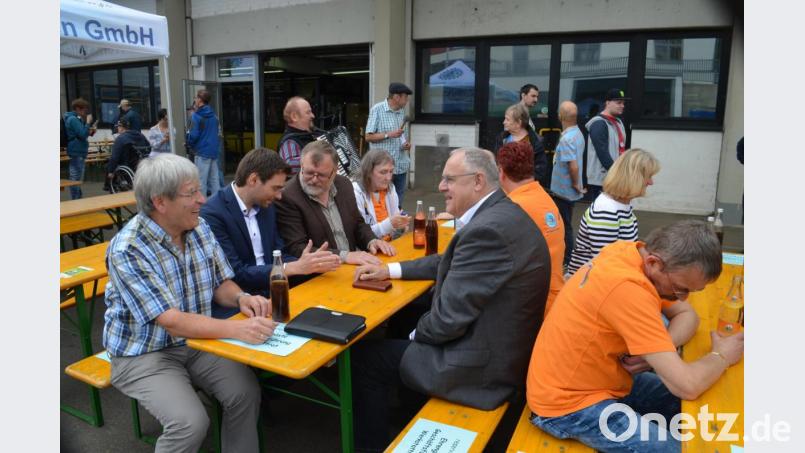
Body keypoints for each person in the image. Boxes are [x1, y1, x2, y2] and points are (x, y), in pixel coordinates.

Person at [351, 147, 551, 451]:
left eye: (449, 180)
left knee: (365, 358)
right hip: (504, 345)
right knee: (406, 322)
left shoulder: (488, 230)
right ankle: (408, 409)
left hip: (482, 370)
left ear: (478, 181)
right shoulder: (502, 213)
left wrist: (415, 335)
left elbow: (445, 321)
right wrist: (389, 270)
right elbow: (450, 260)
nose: (441, 187)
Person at [103, 153, 275, 452]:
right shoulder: (128, 248)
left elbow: (221, 283)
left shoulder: (199, 228)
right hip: (143, 353)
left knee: (245, 392)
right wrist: (238, 329)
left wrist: (242, 297)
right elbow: (169, 319)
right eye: (191, 192)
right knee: (189, 422)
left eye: (199, 190)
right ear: (160, 202)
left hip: (196, 342)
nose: (203, 199)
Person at [526, 220, 744, 452]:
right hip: (566, 405)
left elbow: (688, 314)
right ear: (654, 263)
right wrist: (721, 355)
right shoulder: (628, 288)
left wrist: (658, 348)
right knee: (678, 448)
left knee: (705, 410)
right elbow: (687, 385)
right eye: (682, 288)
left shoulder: (628, 253)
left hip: (602, 378)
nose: (682, 298)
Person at [201, 148, 341, 319]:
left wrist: (309, 263)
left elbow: (278, 253)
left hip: (277, 295)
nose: (280, 196)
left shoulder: (266, 205)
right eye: (275, 188)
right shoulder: (213, 213)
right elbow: (235, 273)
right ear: (253, 180)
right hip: (240, 305)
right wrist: (291, 267)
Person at [275, 140, 397, 265]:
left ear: (334, 171)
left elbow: (358, 223)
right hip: (320, 274)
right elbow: (297, 248)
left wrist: (372, 241)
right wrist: (345, 256)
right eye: (309, 173)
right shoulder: (287, 196)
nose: (314, 180)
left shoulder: (344, 184)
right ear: (301, 165)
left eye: (322, 175)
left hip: (352, 265)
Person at [497, 140, 565, 314]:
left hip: (533, 308)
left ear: (501, 173)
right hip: (555, 299)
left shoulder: (514, 208)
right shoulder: (545, 199)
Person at [567, 148, 659, 276]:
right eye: (648, 177)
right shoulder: (607, 211)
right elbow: (606, 264)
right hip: (589, 284)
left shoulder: (622, 203)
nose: (651, 182)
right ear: (633, 178)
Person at [550, 100, 586, 268]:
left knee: (565, 226)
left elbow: (573, 165)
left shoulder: (567, 139)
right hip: (567, 190)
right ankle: (568, 257)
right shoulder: (578, 133)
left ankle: (567, 260)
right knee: (566, 223)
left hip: (563, 191)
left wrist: (575, 184)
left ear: (561, 117)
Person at [364, 82, 413, 207]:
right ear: (396, 97)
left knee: (397, 203)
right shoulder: (377, 109)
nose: (407, 100)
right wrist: (389, 134)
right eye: (405, 97)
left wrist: (405, 145)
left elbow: (400, 137)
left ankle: (397, 224)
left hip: (400, 165)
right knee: (382, 203)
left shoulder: (401, 112)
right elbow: (368, 136)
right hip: (383, 169)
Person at [351, 149, 411, 241]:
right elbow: (360, 235)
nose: (388, 178)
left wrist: (401, 226)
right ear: (368, 172)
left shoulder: (390, 188)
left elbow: (396, 223)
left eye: (391, 171)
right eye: (383, 172)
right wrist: (390, 224)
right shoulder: (355, 192)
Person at [585, 88, 629, 200]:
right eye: (618, 102)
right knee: (602, 214)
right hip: (602, 180)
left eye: (623, 103)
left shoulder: (618, 122)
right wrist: (618, 174)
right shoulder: (598, 123)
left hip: (614, 177)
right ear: (607, 103)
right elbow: (603, 154)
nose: (622, 106)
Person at [493, 103, 548, 185]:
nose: (503, 122)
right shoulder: (502, 138)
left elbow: (540, 171)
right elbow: (496, 163)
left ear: (518, 123)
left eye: (507, 119)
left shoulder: (536, 142)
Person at [187, 89, 222, 197]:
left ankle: (202, 208)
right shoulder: (214, 117)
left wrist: (189, 142)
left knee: (201, 181)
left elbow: (193, 135)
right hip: (213, 152)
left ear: (200, 100)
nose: (195, 100)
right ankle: (218, 205)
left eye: (196, 98)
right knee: (214, 180)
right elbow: (217, 134)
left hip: (202, 152)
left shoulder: (196, 116)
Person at [63, 97, 96, 199]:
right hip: (76, 150)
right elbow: (82, 134)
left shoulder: (77, 119)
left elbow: (83, 133)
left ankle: (77, 198)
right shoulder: (73, 119)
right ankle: (76, 199)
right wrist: (87, 123)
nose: (86, 112)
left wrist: (91, 131)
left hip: (79, 150)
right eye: (84, 110)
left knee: (77, 177)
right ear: (78, 108)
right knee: (75, 178)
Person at [277, 96, 318, 175]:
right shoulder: (290, 141)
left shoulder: (310, 135)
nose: (313, 115)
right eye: (308, 112)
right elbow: (289, 165)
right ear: (294, 117)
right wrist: (321, 158)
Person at [106, 118, 151, 184]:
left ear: (121, 127)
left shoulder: (120, 138)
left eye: (118, 127)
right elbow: (149, 148)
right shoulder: (140, 135)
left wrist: (111, 171)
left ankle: (108, 186)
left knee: (110, 164)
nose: (117, 128)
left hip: (127, 165)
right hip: (142, 162)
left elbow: (115, 157)